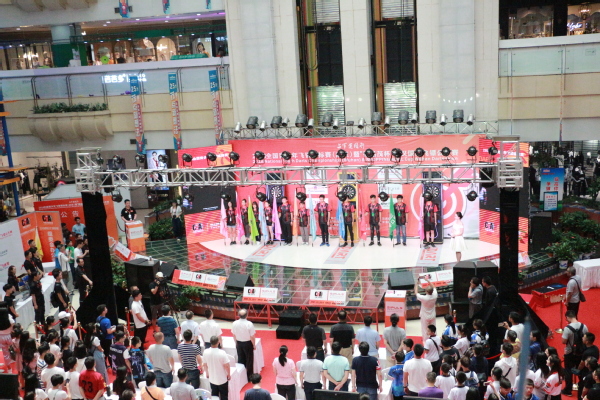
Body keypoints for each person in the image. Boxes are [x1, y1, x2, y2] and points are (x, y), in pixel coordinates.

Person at [562, 310, 588, 396]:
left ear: (567, 317)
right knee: (581, 369)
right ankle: (582, 385)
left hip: (569, 352)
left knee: (568, 370)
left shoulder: (567, 328)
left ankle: (568, 390)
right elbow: (587, 339)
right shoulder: (584, 326)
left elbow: (563, 341)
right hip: (581, 351)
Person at [203, 335, 230, 400]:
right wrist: (229, 374)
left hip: (212, 378)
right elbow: (226, 365)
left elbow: (205, 364)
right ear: (218, 342)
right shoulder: (222, 352)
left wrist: (207, 373)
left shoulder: (205, 352)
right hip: (222, 379)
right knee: (224, 396)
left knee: (214, 396)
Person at [231, 309, 256, 379]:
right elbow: (252, 336)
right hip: (247, 343)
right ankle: (249, 376)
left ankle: (242, 377)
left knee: (241, 359)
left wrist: (236, 342)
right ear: (247, 315)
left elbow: (234, 334)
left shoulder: (234, 323)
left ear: (238, 315)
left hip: (239, 342)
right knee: (249, 360)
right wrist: (254, 344)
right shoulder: (249, 324)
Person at [415, 277, 437, 342]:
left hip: (425, 316)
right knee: (433, 328)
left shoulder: (424, 298)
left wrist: (417, 284)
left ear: (426, 292)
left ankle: (426, 341)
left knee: (425, 329)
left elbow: (416, 293)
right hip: (432, 315)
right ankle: (434, 340)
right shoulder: (435, 295)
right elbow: (434, 287)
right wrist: (427, 280)